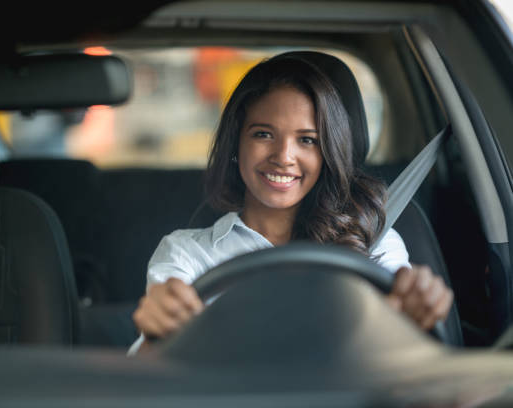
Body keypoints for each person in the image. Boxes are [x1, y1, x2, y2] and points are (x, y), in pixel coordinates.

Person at [129, 52, 453, 354]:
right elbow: (150, 376)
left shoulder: (374, 242)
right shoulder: (187, 254)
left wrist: (415, 315)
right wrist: (157, 335)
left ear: (327, 153)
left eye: (307, 140)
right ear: (235, 143)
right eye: (263, 134)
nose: (283, 157)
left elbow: (404, 362)